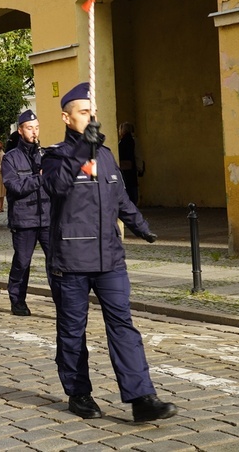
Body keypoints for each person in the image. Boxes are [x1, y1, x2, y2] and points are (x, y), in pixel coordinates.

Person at [41, 82, 177, 422]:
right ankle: (79, 392)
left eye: (93, 113)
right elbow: (56, 187)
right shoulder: (56, 155)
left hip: (110, 259)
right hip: (71, 261)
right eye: (84, 113)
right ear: (66, 117)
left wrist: (140, 226)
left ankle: (141, 397)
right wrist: (79, 151)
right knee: (72, 331)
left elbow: (120, 197)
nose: (90, 118)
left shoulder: (105, 154)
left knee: (123, 326)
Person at [1, 110, 51, 316]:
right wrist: (39, 177)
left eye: (37, 127)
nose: (34, 132)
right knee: (22, 261)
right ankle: (17, 300)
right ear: (21, 130)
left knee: (55, 261)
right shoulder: (10, 159)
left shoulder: (46, 155)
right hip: (24, 219)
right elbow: (15, 187)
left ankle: (63, 300)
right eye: (30, 128)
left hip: (47, 216)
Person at [118, 122, 143, 205]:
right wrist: (140, 167)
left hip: (124, 168)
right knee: (133, 188)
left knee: (127, 188)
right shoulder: (134, 140)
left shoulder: (121, 142)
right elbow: (138, 155)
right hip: (132, 169)